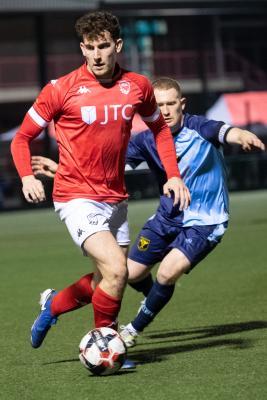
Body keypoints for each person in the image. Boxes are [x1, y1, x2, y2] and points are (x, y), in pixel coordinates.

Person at [11, 11, 190, 367]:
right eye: (90, 47)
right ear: (82, 48)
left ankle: (53, 305)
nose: (96, 54)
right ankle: (106, 347)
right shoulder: (59, 89)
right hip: (75, 196)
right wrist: (26, 176)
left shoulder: (137, 86)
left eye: (103, 46)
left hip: (115, 197)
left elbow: (160, 131)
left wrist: (173, 174)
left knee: (105, 280)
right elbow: (21, 138)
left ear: (117, 46)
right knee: (117, 270)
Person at [32, 77, 265, 349]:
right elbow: (104, 169)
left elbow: (227, 132)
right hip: (166, 219)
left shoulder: (199, 127)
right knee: (119, 275)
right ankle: (55, 304)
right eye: (159, 104)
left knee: (167, 273)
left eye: (171, 104)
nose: (165, 111)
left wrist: (243, 135)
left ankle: (131, 330)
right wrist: (62, 170)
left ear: (182, 104)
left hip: (205, 222)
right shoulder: (145, 140)